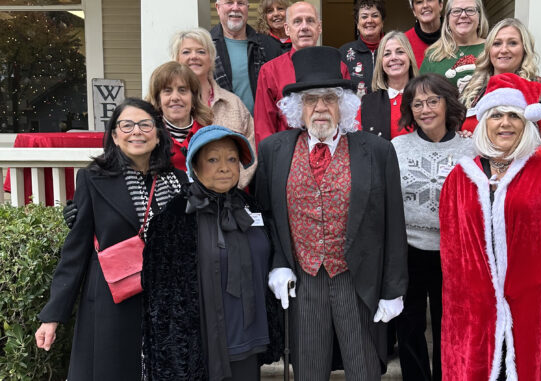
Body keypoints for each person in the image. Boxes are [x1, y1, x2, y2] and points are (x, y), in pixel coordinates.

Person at [255, 46, 408, 380]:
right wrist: (278, 264)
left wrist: (393, 288)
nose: (321, 108)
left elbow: (394, 224)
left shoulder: (377, 152)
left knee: (364, 368)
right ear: (298, 107)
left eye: (330, 99)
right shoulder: (274, 151)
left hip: (358, 279)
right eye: (311, 100)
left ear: (345, 105)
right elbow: (266, 216)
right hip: (304, 280)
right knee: (308, 369)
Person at [439, 73, 541, 380]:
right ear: (483, 122)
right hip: (477, 308)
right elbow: (453, 249)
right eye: (496, 115)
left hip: (534, 306)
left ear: (527, 123)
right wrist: (470, 292)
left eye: (514, 115)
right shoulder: (460, 178)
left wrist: (535, 287)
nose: (505, 123)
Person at [34, 98, 187, 380]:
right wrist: (52, 316)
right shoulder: (93, 179)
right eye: (126, 125)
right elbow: (75, 251)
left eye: (145, 124)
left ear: (158, 133)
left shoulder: (180, 181)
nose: (136, 132)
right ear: (115, 136)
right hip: (112, 302)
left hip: (168, 303)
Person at [141, 125, 280, 380]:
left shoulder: (252, 207)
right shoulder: (173, 218)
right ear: (195, 166)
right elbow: (161, 301)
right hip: (202, 344)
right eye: (213, 159)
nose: (224, 167)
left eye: (232, 159)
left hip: (249, 338)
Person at [392, 73, 474, 381]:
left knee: (448, 326)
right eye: (417, 104)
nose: (425, 109)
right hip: (408, 250)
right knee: (409, 325)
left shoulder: (471, 149)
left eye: (432, 101)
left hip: (453, 253)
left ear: (447, 103)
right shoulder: (397, 147)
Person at [460, 18, 541, 159]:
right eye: (497, 44)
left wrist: (514, 165)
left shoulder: (539, 90)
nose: (504, 50)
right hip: (478, 175)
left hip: (526, 176)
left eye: (513, 43)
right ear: (489, 50)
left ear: (524, 49)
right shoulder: (473, 91)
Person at [253, 1, 351, 146]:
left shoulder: (339, 67)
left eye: (310, 20)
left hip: (333, 153)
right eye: (297, 21)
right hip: (286, 154)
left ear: (319, 27)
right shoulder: (270, 71)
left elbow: (348, 118)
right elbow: (264, 127)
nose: (304, 27)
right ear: (287, 29)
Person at [171, 28, 257, 188]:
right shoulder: (167, 104)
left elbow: (250, 154)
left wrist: (228, 188)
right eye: (186, 52)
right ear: (176, 59)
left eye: (201, 51)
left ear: (211, 59)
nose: (194, 56)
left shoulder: (233, 103)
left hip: (229, 197)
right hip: (180, 198)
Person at [211, 0, 283, 114]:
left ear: (247, 8)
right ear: (217, 8)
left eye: (241, 3)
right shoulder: (205, 47)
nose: (235, 8)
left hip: (264, 128)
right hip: (220, 127)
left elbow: (281, 94)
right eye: (229, 2)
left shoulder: (270, 46)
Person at [146, 61, 213, 173]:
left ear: (194, 98)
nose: (175, 97)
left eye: (182, 90)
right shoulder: (146, 133)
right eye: (167, 91)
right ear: (158, 100)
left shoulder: (208, 134)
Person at [357, 31, 419, 140]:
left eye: (400, 52)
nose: (393, 58)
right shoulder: (365, 104)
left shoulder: (425, 97)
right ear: (381, 62)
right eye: (387, 54)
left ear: (409, 56)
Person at [419, 0, 488, 92]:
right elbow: (420, 93)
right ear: (447, 19)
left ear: (480, 17)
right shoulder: (433, 55)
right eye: (456, 11)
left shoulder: (492, 49)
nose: (463, 15)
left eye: (470, 10)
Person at [338, 0, 386, 98]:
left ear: (382, 22)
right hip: (356, 112)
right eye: (364, 16)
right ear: (357, 23)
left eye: (375, 15)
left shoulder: (393, 50)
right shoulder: (343, 53)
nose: (369, 20)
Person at [405, 0, 444, 67]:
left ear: (441, 5)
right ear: (414, 11)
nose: (425, 5)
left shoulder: (456, 34)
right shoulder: (405, 41)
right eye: (419, 2)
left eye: (430, 0)